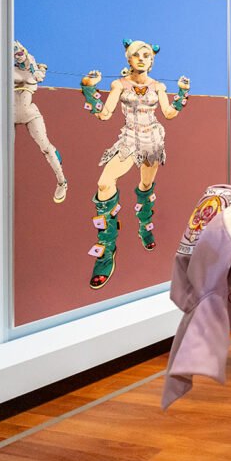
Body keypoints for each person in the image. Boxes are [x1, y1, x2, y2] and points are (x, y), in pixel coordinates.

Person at [80, 39, 190, 289]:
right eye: (136, 55)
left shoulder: (159, 86)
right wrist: (88, 87)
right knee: (104, 183)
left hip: (152, 139)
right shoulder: (118, 84)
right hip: (129, 138)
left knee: (146, 185)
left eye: (147, 55)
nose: (142, 59)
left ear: (152, 60)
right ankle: (107, 249)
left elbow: (169, 113)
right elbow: (104, 114)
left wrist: (182, 92)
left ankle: (144, 227)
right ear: (128, 59)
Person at [13, 41, 68, 203]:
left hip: (29, 113)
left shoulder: (33, 69)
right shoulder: (8, 71)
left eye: (20, 53)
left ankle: (62, 182)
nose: (18, 57)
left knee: (45, 147)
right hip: (10, 115)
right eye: (15, 55)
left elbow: (37, 74)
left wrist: (37, 70)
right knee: (5, 150)